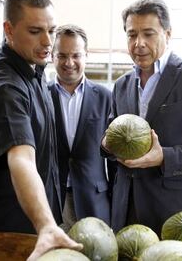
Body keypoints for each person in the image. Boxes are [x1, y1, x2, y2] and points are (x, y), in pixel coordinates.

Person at [0, 0, 81, 260]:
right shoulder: (6, 87)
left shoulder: (33, 70)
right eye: (35, 31)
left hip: (24, 230)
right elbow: (21, 159)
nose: (48, 41)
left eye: (51, 30)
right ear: (8, 30)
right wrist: (46, 224)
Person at [101, 0, 182, 235]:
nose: (138, 43)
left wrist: (164, 157)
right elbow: (111, 134)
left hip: (173, 213)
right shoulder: (121, 85)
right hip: (125, 210)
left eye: (148, 34)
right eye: (131, 34)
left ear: (168, 34)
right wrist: (106, 145)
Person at [48, 24, 115, 231]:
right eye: (62, 56)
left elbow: (114, 156)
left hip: (94, 199)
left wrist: (115, 198)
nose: (69, 63)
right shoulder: (41, 95)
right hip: (52, 200)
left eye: (76, 55)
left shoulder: (105, 97)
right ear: (52, 56)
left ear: (86, 55)